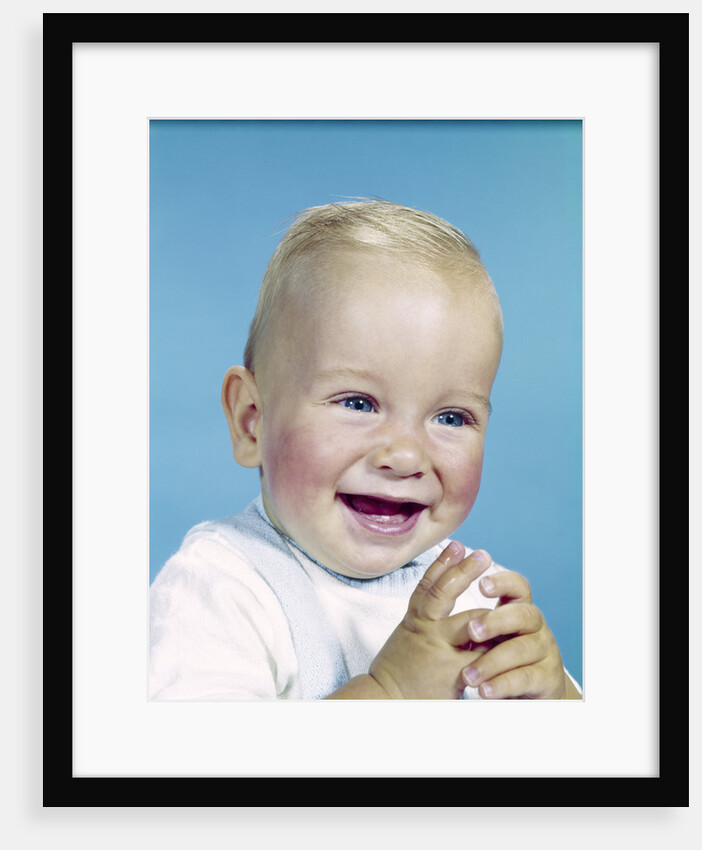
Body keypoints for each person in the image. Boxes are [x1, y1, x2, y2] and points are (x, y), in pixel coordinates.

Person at [149, 200, 582, 701]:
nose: (405, 457)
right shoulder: (220, 588)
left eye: (450, 417)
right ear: (252, 420)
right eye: (359, 403)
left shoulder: (476, 596)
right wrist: (390, 692)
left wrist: (554, 699)